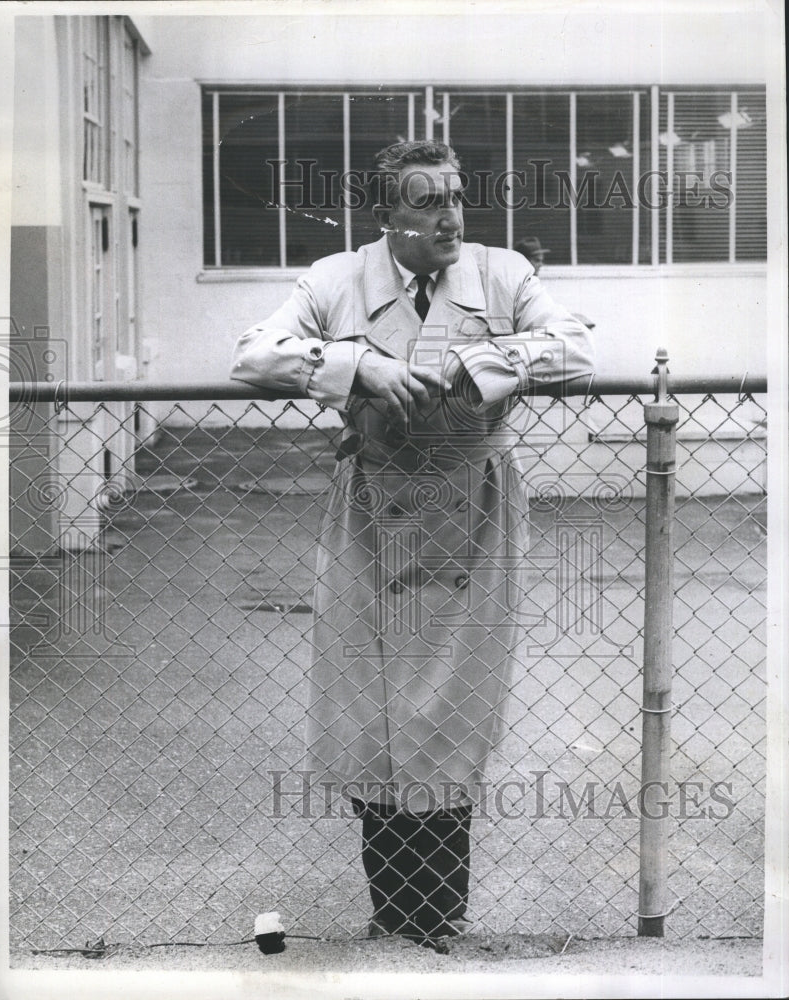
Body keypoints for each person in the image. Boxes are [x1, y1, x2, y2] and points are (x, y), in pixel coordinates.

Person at [231, 141, 595, 948]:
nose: (450, 218)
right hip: (370, 510)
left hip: (473, 510)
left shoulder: (502, 274)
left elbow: (574, 347)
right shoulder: (336, 279)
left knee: (451, 711)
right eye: (427, 203)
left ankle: (439, 913)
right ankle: (391, 911)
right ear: (385, 216)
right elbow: (252, 354)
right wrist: (355, 365)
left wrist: (485, 358)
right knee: (368, 712)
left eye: (457, 199)